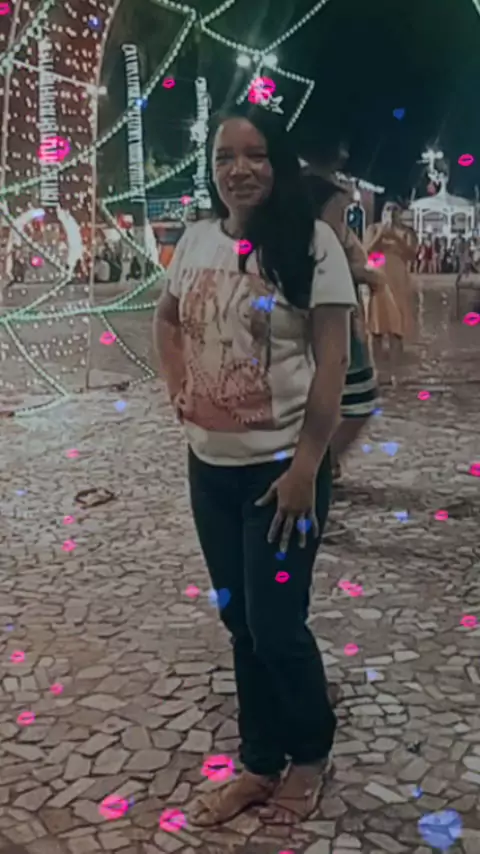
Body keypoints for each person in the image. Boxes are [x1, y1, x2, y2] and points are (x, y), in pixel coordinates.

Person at [153, 102, 357, 827]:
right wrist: (177, 384)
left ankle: (311, 753)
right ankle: (258, 762)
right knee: (241, 622)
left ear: (278, 162)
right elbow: (166, 319)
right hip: (209, 470)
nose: (238, 170)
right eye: (224, 157)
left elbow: (333, 363)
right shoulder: (197, 239)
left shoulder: (312, 245)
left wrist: (307, 467)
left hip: (281, 474)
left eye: (254, 154)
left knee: (276, 626)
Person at [301, 146, 386, 486]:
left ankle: (320, 462)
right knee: (358, 402)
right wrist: (364, 274)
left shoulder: (306, 188)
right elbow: (324, 260)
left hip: (328, 314)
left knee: (331, 398)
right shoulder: (324, 201)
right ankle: (320, 464)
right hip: (336, 316)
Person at [364, 204, 417, 368]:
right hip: (378, 279)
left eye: (395, 210)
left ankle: (396, 369)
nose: (391, 212)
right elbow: (367, 251)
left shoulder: (407, 232)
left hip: (398, 282)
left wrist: (396, 237)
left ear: (400, 213)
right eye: (388, 209)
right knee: (376, 326)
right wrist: (381, 234)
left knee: (397, 328)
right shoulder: (373, 229)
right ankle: (377, 367)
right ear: (382, 212)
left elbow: (412, 255)